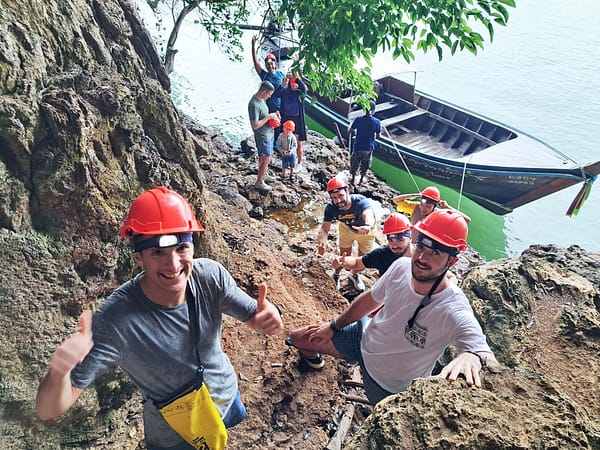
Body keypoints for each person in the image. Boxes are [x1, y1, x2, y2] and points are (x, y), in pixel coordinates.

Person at [36, 186, 284, 450]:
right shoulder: (116, 322)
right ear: (139, 258)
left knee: (220, 435)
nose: (174, 265)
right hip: (176, 434)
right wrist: (59, 372)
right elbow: (48, 410)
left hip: (224, 396)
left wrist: (267, 318)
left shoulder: (210, 276)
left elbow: (254, 315)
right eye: (158, 253)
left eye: (181, 248)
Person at [287, 209, 498, 404]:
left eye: (436, 253)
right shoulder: (400, 267)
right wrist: (333, 326)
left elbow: (483, 353)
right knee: (298, 338)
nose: (422, 258)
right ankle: (315, 363)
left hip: (389, 387)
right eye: (422, 246)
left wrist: (473, 356)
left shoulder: (452, 308)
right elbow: (370, 299)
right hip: (362, 339)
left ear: (452, 261)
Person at [317, 177, 377, 292]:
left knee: (362, 259)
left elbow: (367, 213)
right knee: (344, 255)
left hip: (366, 231)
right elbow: (324, 229)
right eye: (334, 198)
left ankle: (354, 275)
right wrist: (322, 242)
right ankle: (337, 274)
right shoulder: (331, 208)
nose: (338, 200)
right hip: (346, 229)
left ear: (347, 191)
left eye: (340, 195)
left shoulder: (360, 201)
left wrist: (368, 225)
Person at [334, 212, 413, 278]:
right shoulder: (382, 255)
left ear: (410, 237)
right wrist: (343, 261)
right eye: (390, 240)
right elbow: (357, 263)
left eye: (400, 240)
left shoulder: (422, 257)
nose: (394, 245)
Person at [393, 186, 471, 240]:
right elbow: (396, 200)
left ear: (434, 206)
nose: (423, 208)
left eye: (428, 207)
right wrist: (416, 195)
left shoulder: (439, 214)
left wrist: (447, 207)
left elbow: (466, 220)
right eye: (422, 205)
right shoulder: (415, 207)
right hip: (411, 242)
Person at [248, 80, 281, 191]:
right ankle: (259, 181)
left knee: (265, 157)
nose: (270, 96)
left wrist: (273, 116)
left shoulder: (262, 100)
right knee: (265, 158)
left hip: (269, 133)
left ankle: (263, 174)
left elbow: (264, 115)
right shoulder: (254, 104)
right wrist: (268, 117)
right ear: (264, 91)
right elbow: (255, 125)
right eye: (269, 94)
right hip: (262, 136)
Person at [251, 35, 285, 135]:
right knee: (268, 127)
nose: (270, 66)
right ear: (265, 65)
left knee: (279, 126)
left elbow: (283, 91)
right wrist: (253, 46)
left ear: (275, 64)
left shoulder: (280, 74)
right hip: (268, 105)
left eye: (272, 63)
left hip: (280, 105)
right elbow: (255, 62)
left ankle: (277, 145)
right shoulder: (264, 75)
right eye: (268, 64)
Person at [348, 100, 381, 186]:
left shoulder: (358, 119)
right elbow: (378, 136)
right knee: (365, 165)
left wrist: (350, 126)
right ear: (374, 111)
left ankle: (353, 178)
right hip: (368, 148)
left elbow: (350, 131)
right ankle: (361, 180)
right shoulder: (377, 122)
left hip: (358, 146)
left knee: (354, 163)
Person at [279, 73, 308, 171]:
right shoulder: (286, 90)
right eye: (292, 85)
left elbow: (304, 88)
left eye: (295, 85)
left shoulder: (300, 92)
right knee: (287, 143)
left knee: (298, 143)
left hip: (297, 119)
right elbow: (277, 93)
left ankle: (299, 163)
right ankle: (289, 163)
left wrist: (296, 78)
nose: (294, 86)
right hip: (287, 117)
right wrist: (283, 83)